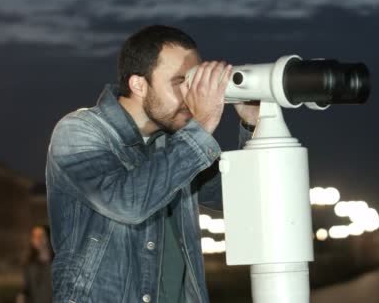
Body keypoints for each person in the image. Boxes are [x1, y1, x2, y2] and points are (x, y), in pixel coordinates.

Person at [45, 25, 259, 303]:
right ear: (138, 85)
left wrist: (253, 125)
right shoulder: (79, 131)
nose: (190, 95)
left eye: (193, 83)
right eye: (179, 82)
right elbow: (128, 203)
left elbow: (238, 197)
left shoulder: (175, 143)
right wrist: (202, 125)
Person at [16, 226, 53, 303]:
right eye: (34, 236)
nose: (37, 239)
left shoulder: (57, 263)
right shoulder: (29, 265)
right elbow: (25, 289)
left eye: (41, 236)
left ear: (49, 237)